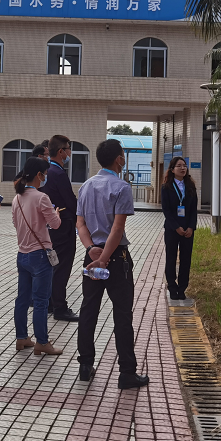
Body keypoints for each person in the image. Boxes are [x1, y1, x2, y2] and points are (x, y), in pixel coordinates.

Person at [75, 138, 150, 390]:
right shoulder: (121, 187)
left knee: (88, 310)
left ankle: (85, 365)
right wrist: (104, 259)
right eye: (123, 156)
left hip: (91, 255)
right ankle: (127, 372)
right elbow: (117, 229)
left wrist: (91, 251)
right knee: (122, 315)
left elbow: (80, 224)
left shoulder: (85, 186)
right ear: (119, 159)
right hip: (116, 258)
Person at [13, 157, 63, 355]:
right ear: (39, 175)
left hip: (22, 254)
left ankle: (21, 337)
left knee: (22, 299)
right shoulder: (41, 197)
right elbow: (55, 224)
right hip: (40, 255)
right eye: (45, 174)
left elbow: (15, 223)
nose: (46, 177)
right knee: (41, 301)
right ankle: (42, 342)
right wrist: (56, 214)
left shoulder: (17, 198)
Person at [38, 134, 80, 322]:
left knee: (52, 265)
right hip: (63, 225)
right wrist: (82, 218)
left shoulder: (47, 171)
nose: (69, 153)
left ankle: (49, 303)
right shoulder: (58, 173)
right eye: (68, 149)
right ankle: (60, 308)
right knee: (62, 267)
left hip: (49, 224)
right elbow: (70, 200)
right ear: (61, 151)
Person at [161, 156, 199, 300]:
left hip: (188, 229)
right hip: (172, 228)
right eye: (179, 166)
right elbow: (166, 210)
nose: (183, 168)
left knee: (186, 259)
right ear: (172, 169)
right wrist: (176, 227)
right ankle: (172, 287)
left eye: (184, 165)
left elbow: (193, 210)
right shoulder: (166, 187)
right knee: (171, 257)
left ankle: (182, 288)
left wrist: (191, 227)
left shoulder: (191, 186)